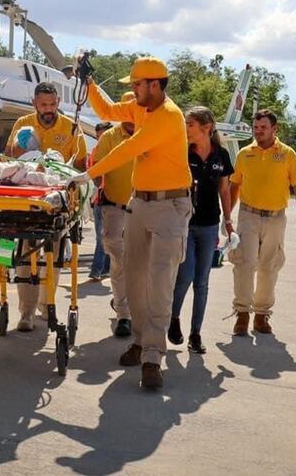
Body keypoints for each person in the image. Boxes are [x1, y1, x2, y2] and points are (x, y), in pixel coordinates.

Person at [71, 57, 192, 390]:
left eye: (136, 85)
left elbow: (130, 148)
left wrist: (88, 174)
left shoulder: (168, 115)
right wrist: (90, 83)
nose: (133, 91)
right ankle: (141, 340)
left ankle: (152, 355)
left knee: (160, 281)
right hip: (139, 204)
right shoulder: (141, 109)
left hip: (171, 206)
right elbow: (108, 111)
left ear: (154, 84)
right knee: (134, 278)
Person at [5, 82, 88, 331]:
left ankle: (46, 305)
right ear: (34, 104)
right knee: (26, 257)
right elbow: (9, 156)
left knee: (53, 258)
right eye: (43, 105)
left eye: (52, 104)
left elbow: (81, 165)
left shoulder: (71, 127)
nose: (48, 109)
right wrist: (26, 147)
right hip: (28, 204)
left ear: (58, 103)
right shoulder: (23, 124)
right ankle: (26, 313)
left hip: (57, 206)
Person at [227, 109, 296, 336]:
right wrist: (227, 217)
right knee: (244, 262)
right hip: (248, 216)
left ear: (275, 129)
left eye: (263, 127)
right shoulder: (244, 154)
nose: (258, 131)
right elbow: (234, 186)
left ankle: (261, 315)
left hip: (275, 217)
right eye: (255, 128)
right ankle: (242, 314)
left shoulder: (287, 154)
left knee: (269, 265)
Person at [169, 107, 234, 354]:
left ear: (206, 128)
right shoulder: (183, 153)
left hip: (209, 224)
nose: (186, 129)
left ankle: (196, 334)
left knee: (203, 281)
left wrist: (228, 221)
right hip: (185, 223)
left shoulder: (221, 156)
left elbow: (225, 190)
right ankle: (173, 319)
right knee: (185, 275)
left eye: (190, 125)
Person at [88, 97, 137, 338]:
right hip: (115, 209)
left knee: (143, 263)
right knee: (119, 263)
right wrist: (95, 186)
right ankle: (123, 314)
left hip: (145, 209)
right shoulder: (109, 137)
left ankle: (133, 306)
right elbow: (97, 166)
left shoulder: (151, 133)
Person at [87, 122, 114, 282]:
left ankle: (100, 269)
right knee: (102, 236)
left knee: (108, 236)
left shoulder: (117, 151)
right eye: (98, 137)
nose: (100, 140)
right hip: (100, 198)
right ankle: (101, 269)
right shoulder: (96, 152)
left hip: (112, 198)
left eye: (103, 136)